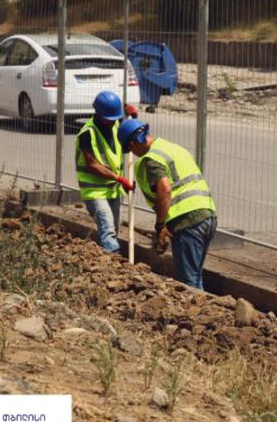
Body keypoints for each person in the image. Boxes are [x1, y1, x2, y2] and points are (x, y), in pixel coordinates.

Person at [118, 118, 217, 290]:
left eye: (130, 149)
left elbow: (165, 190)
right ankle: (203, 310)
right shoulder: (171, 147)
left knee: (189, 281)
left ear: (133, 143)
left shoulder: (151, 159)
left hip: (188, 221)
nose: (132, 153)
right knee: (195, 273)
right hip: (207, 215)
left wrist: (160, 225)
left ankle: (194, 314)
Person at [74, 91, 138, 253]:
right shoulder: (87, 134)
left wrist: (134, 117)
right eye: (109, 119)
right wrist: (120, 178)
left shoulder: (116, 125)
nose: (112, 122)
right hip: (95, 192)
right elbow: (92, 165)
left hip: (114, 190)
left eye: (115, 119)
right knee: (108, 230)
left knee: (113, 229)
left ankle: (105, 260)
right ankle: (114, 267)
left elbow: (134, 137)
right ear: (98, 113)